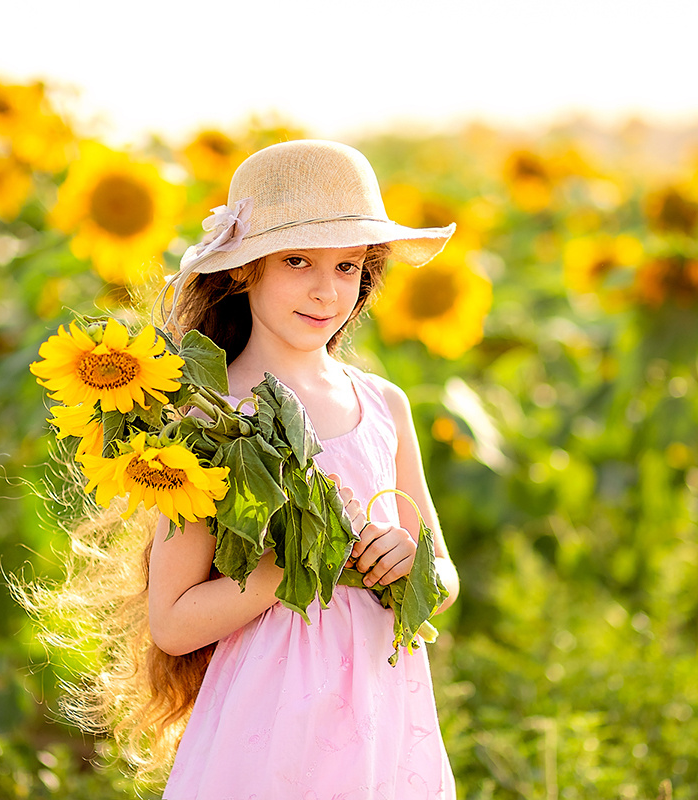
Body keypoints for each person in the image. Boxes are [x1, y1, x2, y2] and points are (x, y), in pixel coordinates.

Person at [145, 139, 463, 798]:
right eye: (297, 261)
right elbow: (172, 623)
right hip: (273, 721)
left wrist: (410, 558)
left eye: (348, 266)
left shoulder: (383, 406)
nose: (326, 289)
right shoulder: (210, 418)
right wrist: (287, 566)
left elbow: (444, 576)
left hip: (383, 705)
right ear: (242, 270)